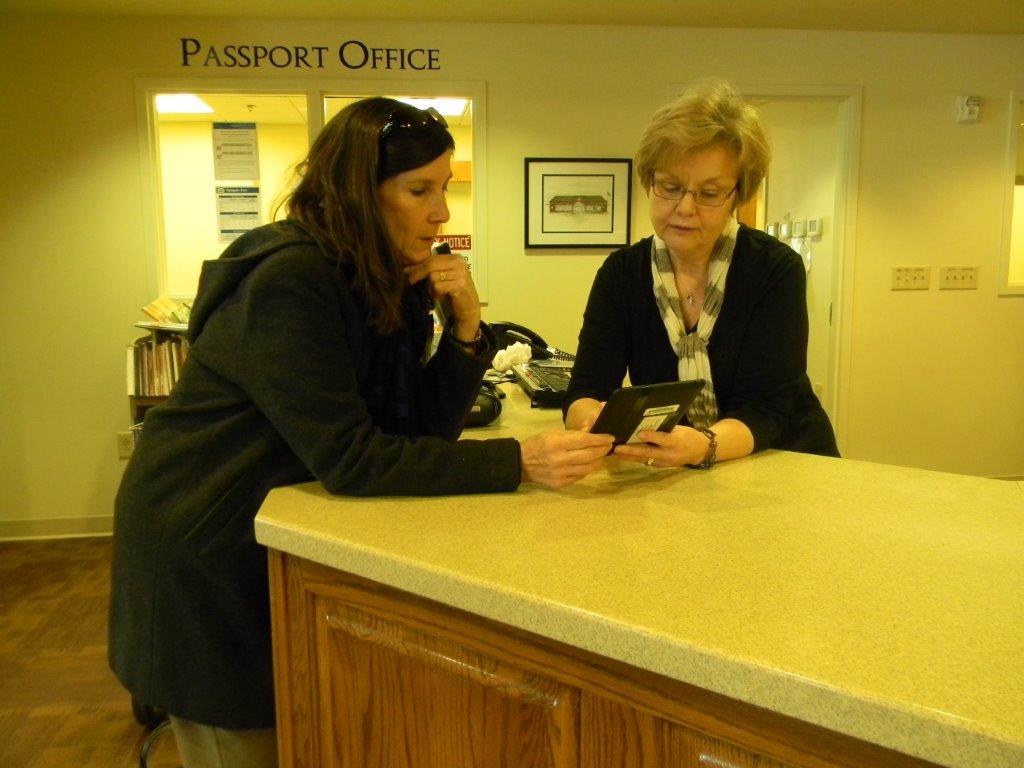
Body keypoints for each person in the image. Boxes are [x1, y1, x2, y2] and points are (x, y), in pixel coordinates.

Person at [108, 97, 613, 768]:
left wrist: (466, 329)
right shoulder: (291, 280)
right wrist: (518, 460)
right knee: (244, 743)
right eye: (419, 191)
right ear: (358, 194)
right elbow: (353, 459)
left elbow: (416, 429)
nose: (441, 213)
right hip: (205, 541)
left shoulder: (373, 274)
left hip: (258, 528)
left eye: (444, 189)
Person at [564, 80, 838, 467]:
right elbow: (587, 388)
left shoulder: (774, 269)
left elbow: (770, 409)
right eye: (670, 186)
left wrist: (703, 445)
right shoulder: (621, 275)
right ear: (649, 180)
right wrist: (590, 418)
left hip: (783, 460)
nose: (685, 208)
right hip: (677, 467)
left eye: (708, 193)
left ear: (737, 195)